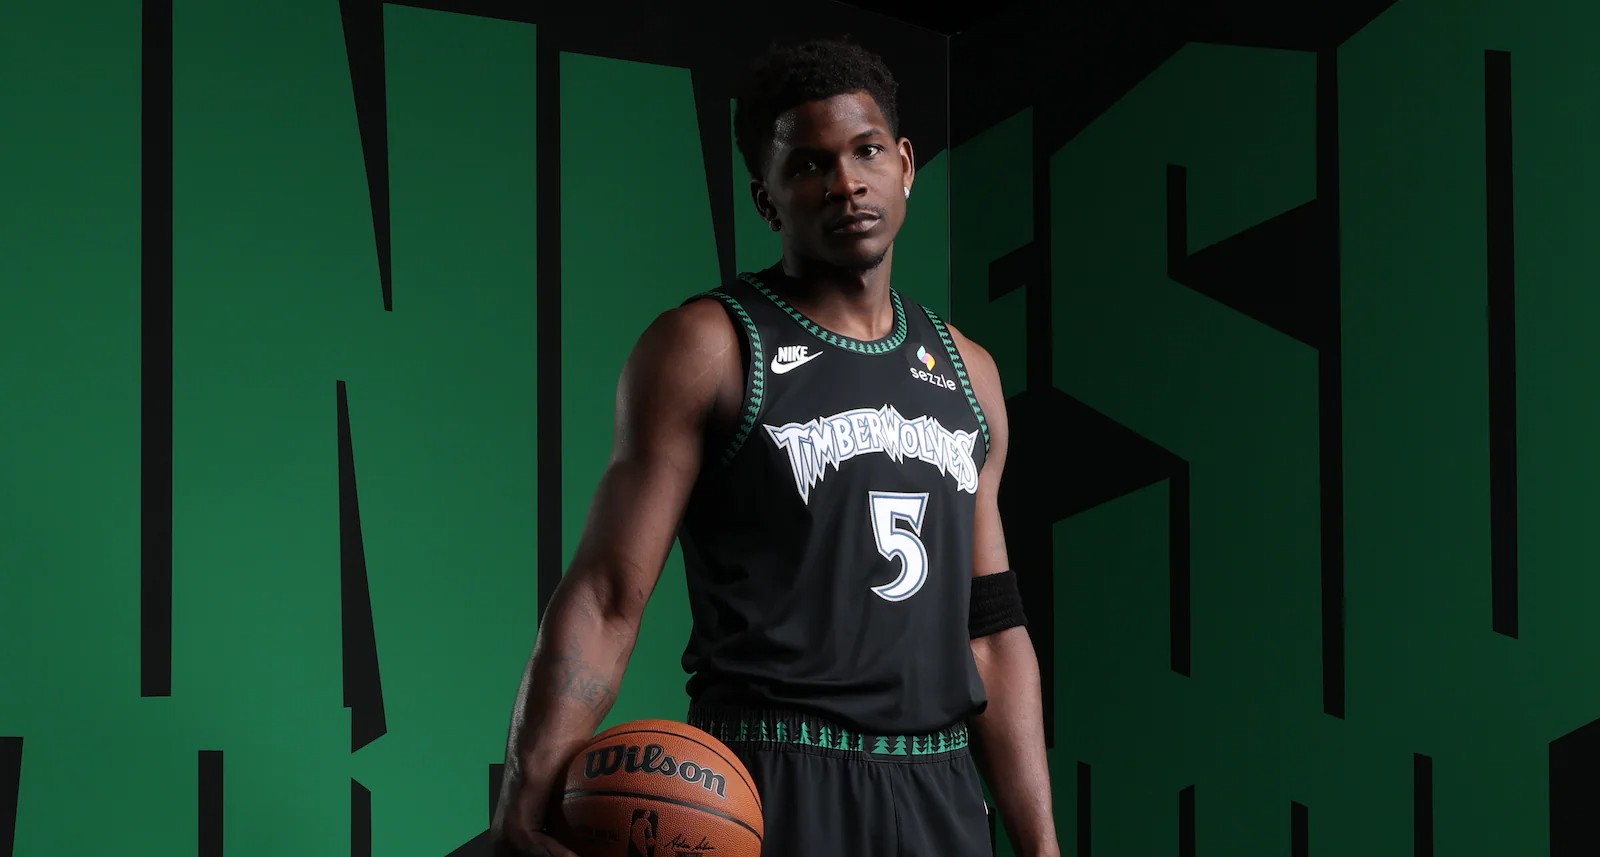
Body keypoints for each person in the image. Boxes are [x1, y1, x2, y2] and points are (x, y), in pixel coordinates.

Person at [490, 37, 1058, 857]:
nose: (846, 183)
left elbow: (993, 631)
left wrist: (1040, 844)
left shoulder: (970, 372)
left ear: (904, 165)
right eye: (809, 165)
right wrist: (523, 800)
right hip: (771, 779)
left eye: (866, 151)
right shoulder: (710, 346)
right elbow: (608, 594)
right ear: (768, 200)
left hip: (938, 788)